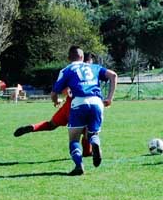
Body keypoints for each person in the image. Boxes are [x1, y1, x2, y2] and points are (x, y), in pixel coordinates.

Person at [51, 47, 118, 175]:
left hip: (79, 102)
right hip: (96, 102)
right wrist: (110, 98)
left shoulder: (66, 70)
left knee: (74, 140)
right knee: (93, 134)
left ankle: (79, 166)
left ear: (69, 58)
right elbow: (113, 75)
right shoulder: (94, 67)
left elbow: (54, 93)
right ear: (82, 57)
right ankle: (95, 142)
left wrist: (56, 101)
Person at [12, 91, 93, 157]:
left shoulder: (68, 76)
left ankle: (33, 127)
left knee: (51, 125)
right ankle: (87, 152)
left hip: (67, 106)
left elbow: (57, 92)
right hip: (80, 107)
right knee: (88, 131)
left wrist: (56, 100)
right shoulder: (91, 78)